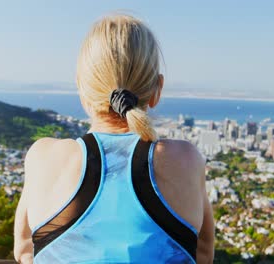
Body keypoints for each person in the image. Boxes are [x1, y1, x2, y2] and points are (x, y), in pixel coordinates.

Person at [14, 13, 214, 264]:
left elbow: (24, 252)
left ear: (82, 90)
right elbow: (203, 254)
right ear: (157, 90)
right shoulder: (185, 160)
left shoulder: (44, 158)